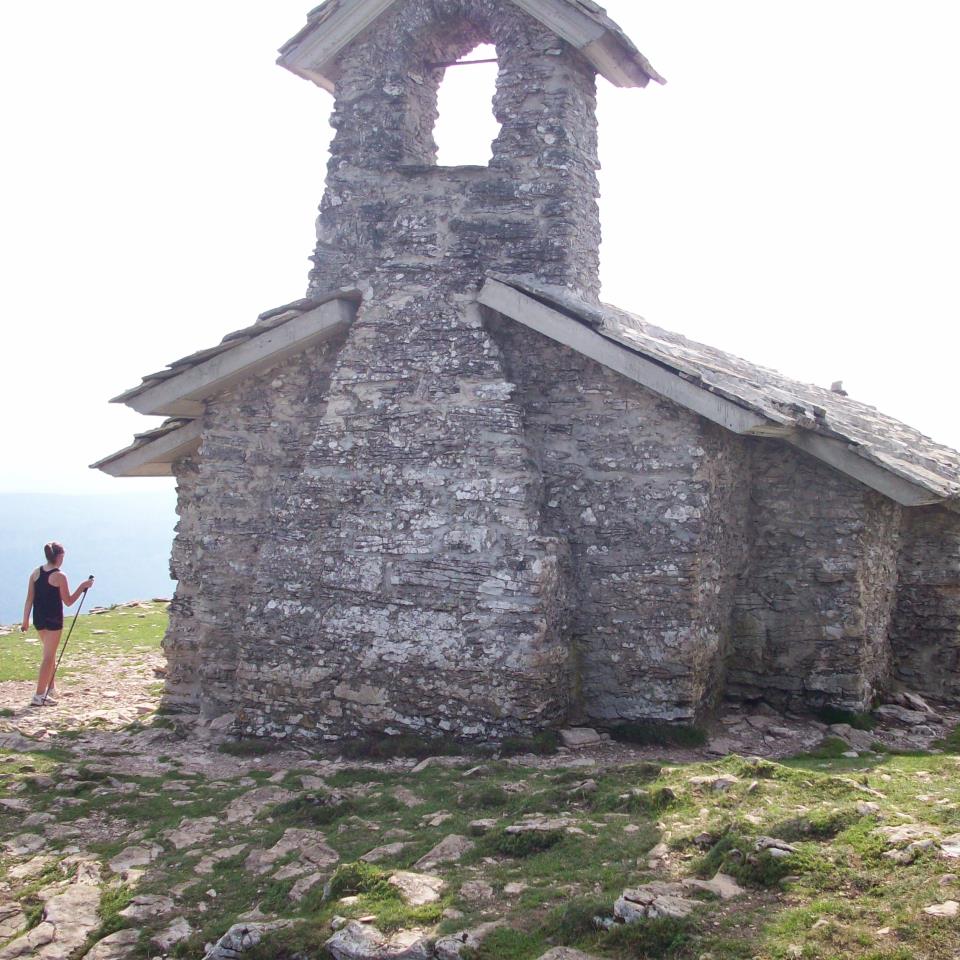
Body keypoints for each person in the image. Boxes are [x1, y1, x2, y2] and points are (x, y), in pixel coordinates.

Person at [21, 542, 94, 707]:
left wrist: (25, 620)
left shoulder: (35, 573)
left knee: (50, 653)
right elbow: (68, 601)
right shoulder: (60, 576)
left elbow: (29, 599)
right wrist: (83, 586)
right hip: (53, 620)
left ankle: (51, 688)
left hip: (39, 619)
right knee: (48, 657)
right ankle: (39, 695)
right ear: (59, 556)